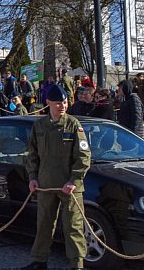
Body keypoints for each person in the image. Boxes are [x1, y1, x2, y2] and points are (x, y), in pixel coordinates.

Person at [21, 85, 91, 270]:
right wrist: (32, 177)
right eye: (58, 103)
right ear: (48, 103)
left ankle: (77, 264)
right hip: (46, 185)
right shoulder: (39, 125)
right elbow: (32, 155)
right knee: (44, 224)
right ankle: (39, 260)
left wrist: (74, 181)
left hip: (69, 187)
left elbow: (83, 156)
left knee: (73, 227)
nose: (62, 106)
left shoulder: (73, 124)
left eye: (65, 102)